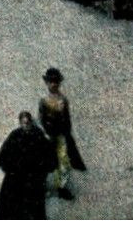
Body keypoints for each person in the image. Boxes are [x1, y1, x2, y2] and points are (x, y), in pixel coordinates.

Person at [0, 111, 53, 219]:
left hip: (33, 175)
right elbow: (5, 152)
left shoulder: (38, 135)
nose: (26, 125)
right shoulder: (15, 135)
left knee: (33, 202)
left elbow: (47, 153)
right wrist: (8, 167)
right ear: (20, 123)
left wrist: (43, 169)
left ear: (31, 122)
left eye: (28, 122)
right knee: (12, 200)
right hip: (16, 174)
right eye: (23, 123)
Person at [38, 68, 86, 200]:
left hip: (61, 136)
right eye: (51, 82)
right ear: (47, 83)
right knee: (44, 162)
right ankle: (42, 186)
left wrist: (67, 134)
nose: (53, 84)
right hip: (48, 136)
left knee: (64, 162)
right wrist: (45, 134)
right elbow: (41, 119)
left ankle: (62, 187)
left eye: (56, 82)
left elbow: (67, 118)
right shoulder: (43, 100)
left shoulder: (63, 100)